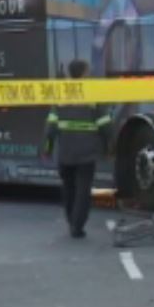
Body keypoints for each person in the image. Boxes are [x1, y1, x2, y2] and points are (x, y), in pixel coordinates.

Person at [43, 60, 111, 239]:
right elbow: (105, 125)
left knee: (69, 189)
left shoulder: (62, 96)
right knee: (83, 191)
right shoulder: (91, 96)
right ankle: (77, 225)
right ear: (83, 73)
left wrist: (48, 149)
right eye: (88, 71)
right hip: (86, 154)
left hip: (65, 153)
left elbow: (51, 127)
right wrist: (108, 147)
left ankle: (71, 220)